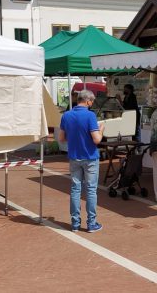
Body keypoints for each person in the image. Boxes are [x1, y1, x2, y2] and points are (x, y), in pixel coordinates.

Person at [59, 90, 105, 233]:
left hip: (74, 156)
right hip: (90, 157)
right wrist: (101, 129)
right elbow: (97, 139)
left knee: (75, 189)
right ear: (88, 101)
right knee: (91, 190)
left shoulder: (66, 115)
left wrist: (74, 138)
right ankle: (91, 223)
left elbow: (61, 138)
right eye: (92, 101)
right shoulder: (90, 115)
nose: (92, 104)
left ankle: (75, 223)